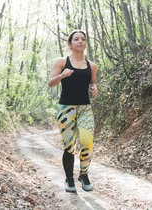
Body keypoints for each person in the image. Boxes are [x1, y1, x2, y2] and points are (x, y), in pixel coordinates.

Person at [47, 29, 98, 193]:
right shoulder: (61, 62)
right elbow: (51, 83)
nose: (80, 41)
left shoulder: (92, 65)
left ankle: (83, 174)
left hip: (85, 108)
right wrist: (62, 75)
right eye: (76, 39)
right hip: (66, 108)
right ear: (70, 44)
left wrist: (94, 87)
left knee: (87, 143)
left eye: (83, 39)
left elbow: (92, 82)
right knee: (69, 146)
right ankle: (69, 179)